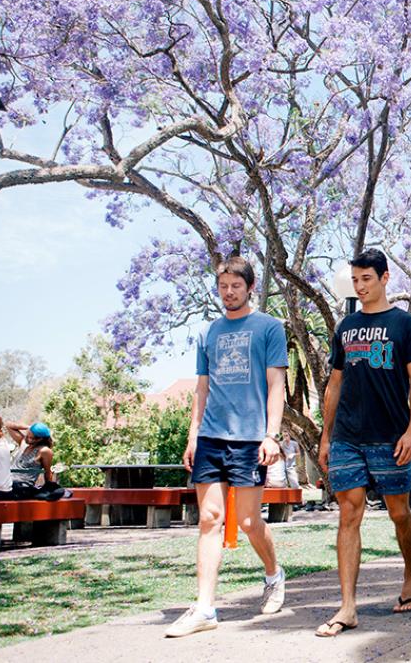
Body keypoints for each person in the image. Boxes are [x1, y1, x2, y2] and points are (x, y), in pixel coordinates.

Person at [165, 256, 290, 639]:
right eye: (223, 287)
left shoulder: (269, 328)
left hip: (251, 438)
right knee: (209, 519)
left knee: (249, 522)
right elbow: (201, 390)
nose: (229, 292)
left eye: (236, 286)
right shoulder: (208, 333)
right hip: (211, 437)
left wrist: (271, 434)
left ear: (250, 287)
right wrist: (193, 434)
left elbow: (275, 385)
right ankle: (205, 607)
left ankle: (273, 574)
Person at [316, 248, 411, 637]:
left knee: (400, 512)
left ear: (384, 279)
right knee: (349, 513)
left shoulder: (405, 324)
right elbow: (335, 383)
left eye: (367, 279)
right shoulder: (345, 327)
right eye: (356, 280)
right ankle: (347, 606)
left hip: (391, 435)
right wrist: (326, 434)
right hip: (348, 436)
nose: (360, 286)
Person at [6, 421, 55, 494]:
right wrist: (30, 427)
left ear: (40, 439)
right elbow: (9, 425)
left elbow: (47, 473)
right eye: (27, 436)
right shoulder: (23, 443)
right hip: (8, 483)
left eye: (32, 438)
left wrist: (49, 490)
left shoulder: (44, 451)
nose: (28, 439)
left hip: (22, 486)